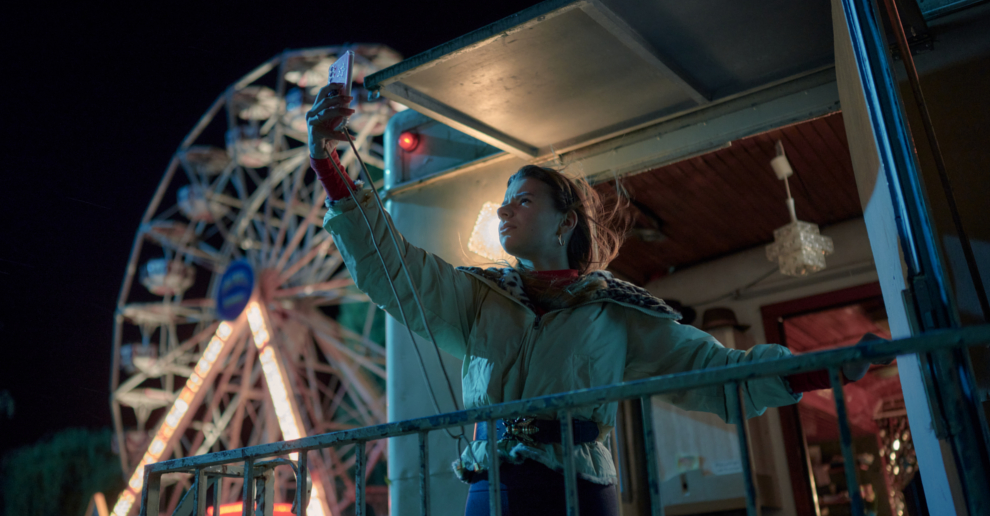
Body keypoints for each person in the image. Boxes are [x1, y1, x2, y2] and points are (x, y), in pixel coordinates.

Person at [305, 83, 882, 516]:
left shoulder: (618, 312)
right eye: (505, 200)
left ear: (565, 223)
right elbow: (394, 269)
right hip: (492, 490)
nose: (505, 209)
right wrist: (327, 163)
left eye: (524, 201)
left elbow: (717, 372)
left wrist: (821, 369)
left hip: (578, 491)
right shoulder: (477, 297)